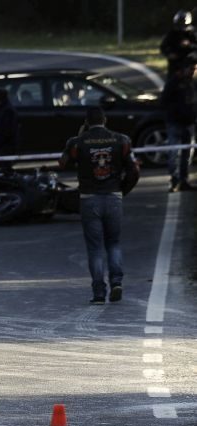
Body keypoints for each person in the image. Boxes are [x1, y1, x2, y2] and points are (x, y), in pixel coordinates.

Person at [59, 106, 139, 305]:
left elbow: (62, 164)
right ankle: (117, 282)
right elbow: (134, 170)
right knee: (113, 243)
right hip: (113, 196)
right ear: (106, 120)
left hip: (89, 198)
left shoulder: (77, 142)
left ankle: (98, 292)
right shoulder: (122, 140)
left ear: (86, 122)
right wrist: (123, 190)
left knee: (95, 248)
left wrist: (78, 137)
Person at [161, 60, 196, 192]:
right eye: (191, 69)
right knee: (174, 153)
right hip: (175, 123)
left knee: (187, 154)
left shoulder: (192, 83)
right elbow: (163, 102)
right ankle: (174, 179)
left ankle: (184, 180)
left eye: (195, 69)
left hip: (189, 123)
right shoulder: (173, 83)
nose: (193, 72)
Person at [0, 88, 19, 171]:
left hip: (4, 148)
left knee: (3, 169)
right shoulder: (3, 110)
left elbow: (7, 131)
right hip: (1, 148)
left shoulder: (7, 112)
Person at [160, 10, 197, 75]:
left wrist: (189, 45)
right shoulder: (172, 33)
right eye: (180, 23)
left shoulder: (193, 33)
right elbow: (163, 46)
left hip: (189, 62)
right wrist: (169, 54)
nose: (182, 26)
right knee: (170, 83)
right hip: (175, 64)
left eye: (184, 23)